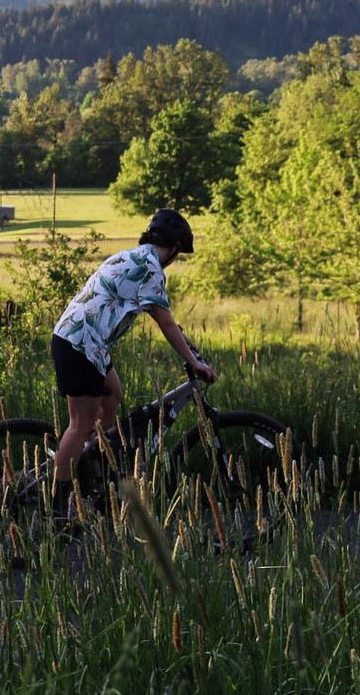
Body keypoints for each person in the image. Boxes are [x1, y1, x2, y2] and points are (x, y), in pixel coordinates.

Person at [49, 207, 218, 519]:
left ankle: (95, 466)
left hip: (85, 341)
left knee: (113, 395)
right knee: (80, 422)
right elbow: (165, 323)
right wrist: (193, 364)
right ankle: (58, 505)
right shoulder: (152, 269)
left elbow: (168, 321)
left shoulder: (129, 256)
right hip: (81, 345)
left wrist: (192, 350)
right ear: (175, 248)